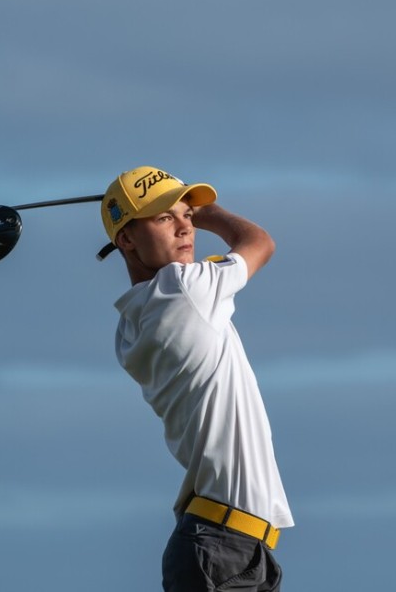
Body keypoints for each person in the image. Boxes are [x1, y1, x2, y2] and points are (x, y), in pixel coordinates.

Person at [99, 166, 294, 591]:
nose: (186, 226)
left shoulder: (131, 323)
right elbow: (259, 243)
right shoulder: (185, 290)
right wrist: (212, 213)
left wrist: (182, 214)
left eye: (187, 215)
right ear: (126, 240)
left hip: (228, 546)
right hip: (220, 547)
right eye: (165, 218)